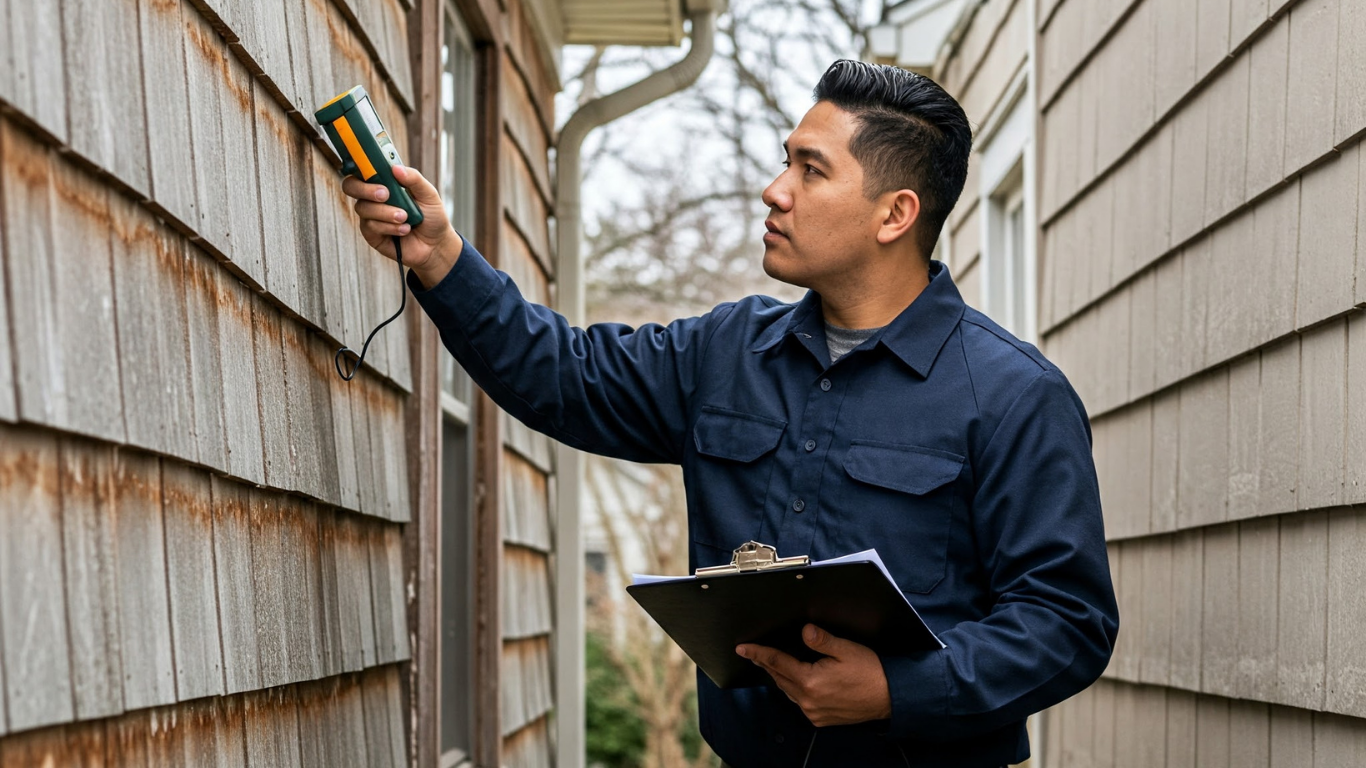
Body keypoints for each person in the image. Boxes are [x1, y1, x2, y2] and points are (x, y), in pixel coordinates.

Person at [344, 59, 1118, 768]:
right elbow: (563, 376)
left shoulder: (1015, 395)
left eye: (810, 171)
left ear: (895, 214)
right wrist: (442, 256)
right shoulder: (724, 354)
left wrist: (896, 688)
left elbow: (1066, 620)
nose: (774, 189)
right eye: (787, 159)